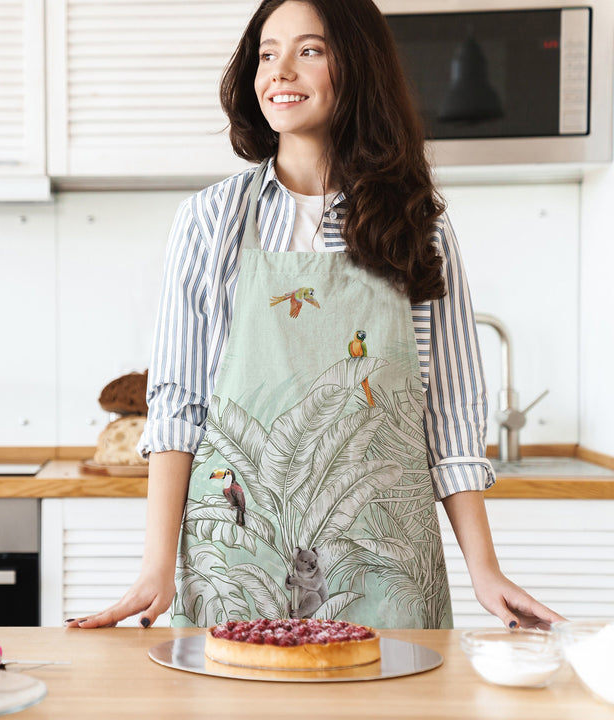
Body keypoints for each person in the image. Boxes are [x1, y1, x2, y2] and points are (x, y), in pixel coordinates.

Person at [68, 0, 563, 631]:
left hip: (385, 563)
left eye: (310, 50)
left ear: (355, 66)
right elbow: (181, 402)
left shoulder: (417, 225)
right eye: (267, 54)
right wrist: (155, 565)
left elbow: (449, 409)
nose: (280, 72)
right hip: (238, 564)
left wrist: (485, 571)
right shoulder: (210, 222)